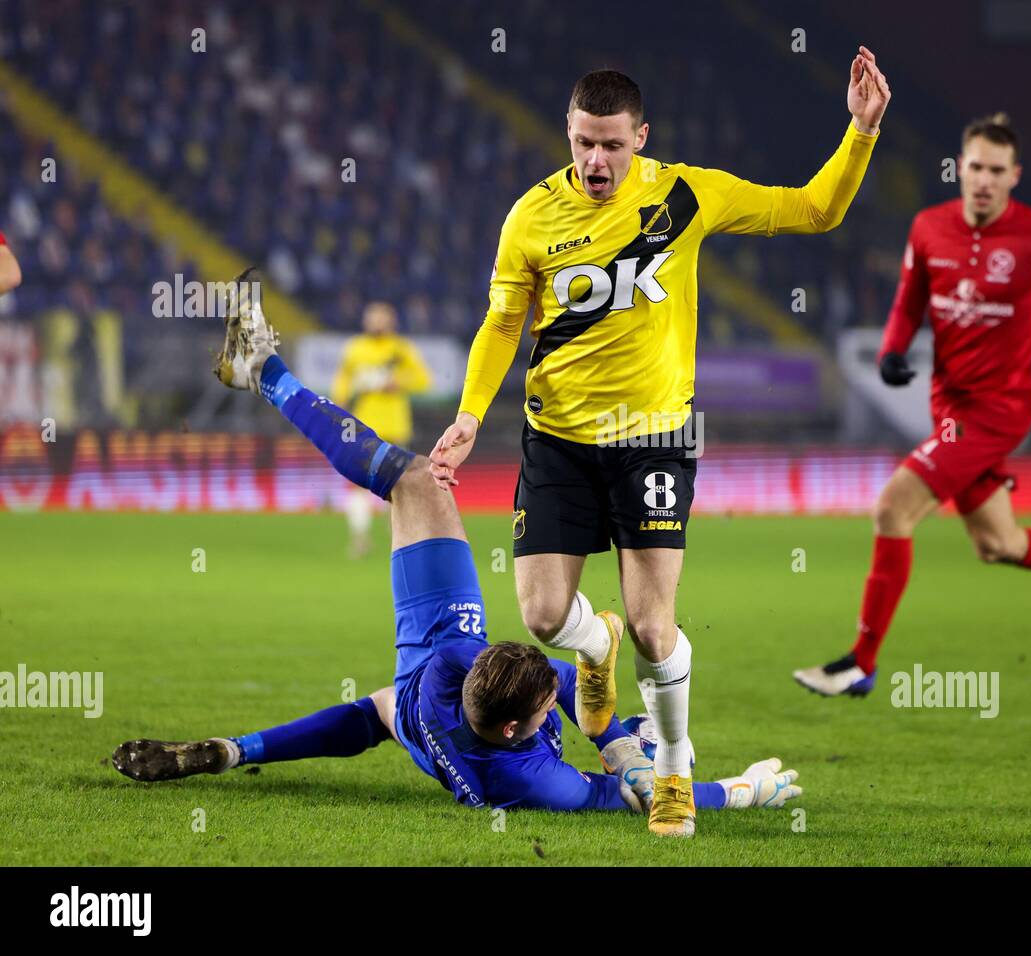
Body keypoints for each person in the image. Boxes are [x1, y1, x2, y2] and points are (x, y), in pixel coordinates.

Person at [113, 276, 802, 817]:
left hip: (425, 697)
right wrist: (719, 784)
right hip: (422, 718)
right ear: (514, 727)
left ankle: (263, 372)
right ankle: (237, 750)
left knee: (414, 490)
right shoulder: (523, 767)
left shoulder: (463, 681)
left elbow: (567, 703)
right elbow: (628, 787)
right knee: (376, 710)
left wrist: (650, 758)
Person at [429, 50, 891, 836]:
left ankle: (673, 771)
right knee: (542, 618)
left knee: (654, 626)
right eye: (583, 142)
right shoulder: (531, 217)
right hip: (558, 440)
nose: (597, 160)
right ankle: (592, 642)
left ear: (640, 137)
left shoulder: (685, 194)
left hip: (653, 440)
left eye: (612, 143)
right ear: (567, 135)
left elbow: (815, 209)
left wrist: (861, 130)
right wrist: (473, 412)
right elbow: (504, 321)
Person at [794, 113, 1031, 699]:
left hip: (998, 411)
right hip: (948, 408)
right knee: (998, 544)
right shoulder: (930, 228)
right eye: (975, 167)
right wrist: (890, 353)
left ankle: (861, 662)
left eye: (996, 171)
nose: (984, 180)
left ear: (1015, 176)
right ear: (961, 168)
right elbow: (909, 301)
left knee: (892, 509)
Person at [330, 301, 432, 558]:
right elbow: (342, 381)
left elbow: (423, 380)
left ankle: (398, 538)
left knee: (398, 486)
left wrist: (396, 382)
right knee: (357, 484)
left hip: (395, 427)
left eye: (380, 318)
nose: (375, 322)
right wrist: (340, 403)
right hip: (363, 427)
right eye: (371, 317)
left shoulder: (401, 349)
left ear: (391, 321)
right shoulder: (356, 349)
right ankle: (360, 539)